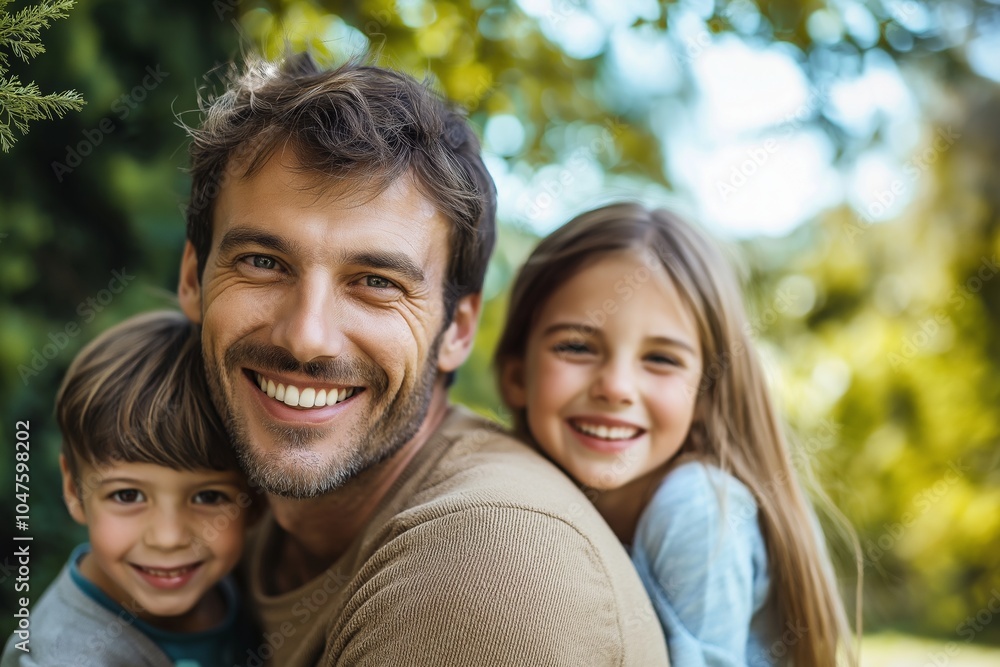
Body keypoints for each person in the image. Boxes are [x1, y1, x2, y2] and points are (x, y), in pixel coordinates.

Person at [176, 53, 669, 666]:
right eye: (263, 262)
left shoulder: (487, 566)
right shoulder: (225, 519)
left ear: (458, 328)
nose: (306, 338)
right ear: (194, 280)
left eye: (377, 281)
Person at [494, 202, 857, 667]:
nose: (617, 388)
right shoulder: (519, 492)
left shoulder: (696, 510)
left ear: (706, 394)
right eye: (577, 346)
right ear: (517, 376)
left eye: (661, 359)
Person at [0, 311, 259, 667]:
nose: (168, 538)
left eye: (209, 496)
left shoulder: (249, 579)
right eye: (127, 495)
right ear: (74, 489)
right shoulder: (59, 657)